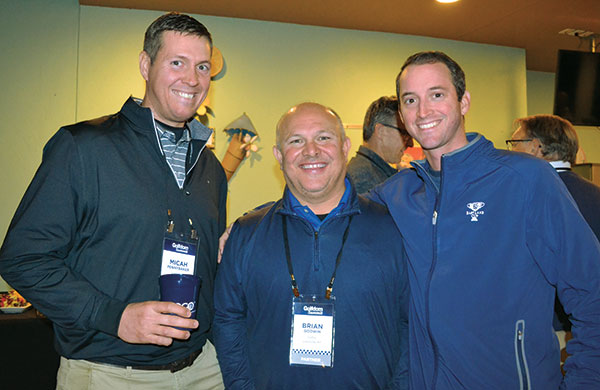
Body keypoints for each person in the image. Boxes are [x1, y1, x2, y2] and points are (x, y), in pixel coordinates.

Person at [0, 12, 226, 389]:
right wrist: (114, 316)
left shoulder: (210, 167)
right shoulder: (84, 148)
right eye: (177, 63)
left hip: (202, 369)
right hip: (110, 373)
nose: (192, 78)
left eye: (202, 66)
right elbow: (22, 258)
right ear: (145, 64)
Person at [368, 51, 600, 389]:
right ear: (402, 116)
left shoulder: (524, 179)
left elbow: (592, 290)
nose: (423, 111)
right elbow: (331, 213)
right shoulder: (396, 195)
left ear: (463, 102)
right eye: (410, 100)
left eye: (437, 94)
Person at [213, 102, 409, 389]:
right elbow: (228, 320)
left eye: (323, 138)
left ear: (345, 147)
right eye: (296, 141)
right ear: (279, 156)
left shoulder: (393, 230)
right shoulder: (245, 234)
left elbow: (410, 325)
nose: (311, 151)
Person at [508, 114, 600, 333]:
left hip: (538, 329)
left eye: (514, 143)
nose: (510, 151)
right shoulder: (596, 194)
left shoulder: (521, 196)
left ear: (535, 147)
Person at [347, 96, 413, 193]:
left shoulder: (371, 174)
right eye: (404, 133)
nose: (410, 143)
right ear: (381, 132)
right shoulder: (364, 181)